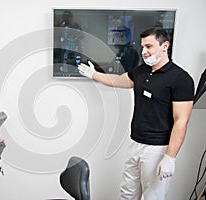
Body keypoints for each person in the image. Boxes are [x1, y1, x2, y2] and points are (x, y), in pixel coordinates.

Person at [78, 27, 194, 199]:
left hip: (157, 148)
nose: (144, 52)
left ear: (165, 46)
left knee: (152, 196)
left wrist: (170, 157)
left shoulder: (181, 79)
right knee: (127, 193)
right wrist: (94, 74)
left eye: (149, 46)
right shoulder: (141, 71)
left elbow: (181, 121)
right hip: (135, 144)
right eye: (142, 47)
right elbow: (118, 81)